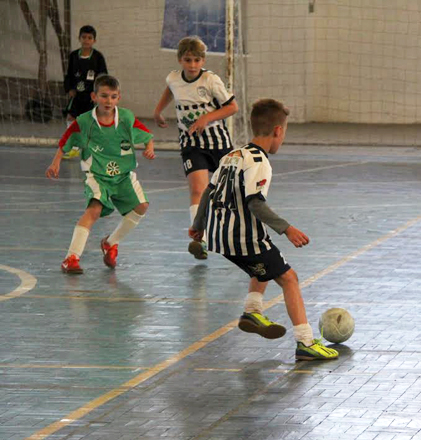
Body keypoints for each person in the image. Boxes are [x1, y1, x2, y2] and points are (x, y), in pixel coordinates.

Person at [189, 99, 338, 361]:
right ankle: (305, 342)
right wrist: (287, 228)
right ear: (278, 131)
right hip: (243, 237)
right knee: (289, 278)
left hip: (218, 236)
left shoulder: (230, 156)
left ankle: (252, 310)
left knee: (266, 262)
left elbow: (207, 194)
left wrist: (198, 226)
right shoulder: (259, 161)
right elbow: (255, 203)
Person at [46, 75, 155, 274]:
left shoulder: (126, 118)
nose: (109, 101)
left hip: (123, 174)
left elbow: (146, 134)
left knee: (142, 206)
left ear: (119, 98)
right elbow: (65, 140)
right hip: (96, 174)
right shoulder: (85, 122)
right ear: (94, 96)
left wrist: (149, 148)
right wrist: (56, 162)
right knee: (94, 210)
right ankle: (71, 258)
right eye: (104, 96)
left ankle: (110, 243)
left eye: (113, 97)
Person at [153, 36, 238, 261]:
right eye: (188, 60)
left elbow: (232, 107)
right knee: (198, 190)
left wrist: (206, 118)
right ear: (180, 60)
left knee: (230, 191)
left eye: (197, 60)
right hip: (191, 143)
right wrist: (158, 110)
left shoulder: (211, 80)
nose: (192, 65)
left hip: (218, 143)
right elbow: (170, 89)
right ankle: (199, 238)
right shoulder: (173, 78)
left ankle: (240, 231)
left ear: (203, 60)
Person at [62, 25, 108, 159]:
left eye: (89, 38)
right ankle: (74, 148)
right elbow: (69, 74)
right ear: (79, 38)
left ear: (94, 40)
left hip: (91, 96)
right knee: (71, 117)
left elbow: (103, 76)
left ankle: (96, 148)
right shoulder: (73, 56)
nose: (86, 40)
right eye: (84, 37)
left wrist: (99, 94)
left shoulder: (98, 57)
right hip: (77, 95)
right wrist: (70, 88)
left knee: (92, 122)